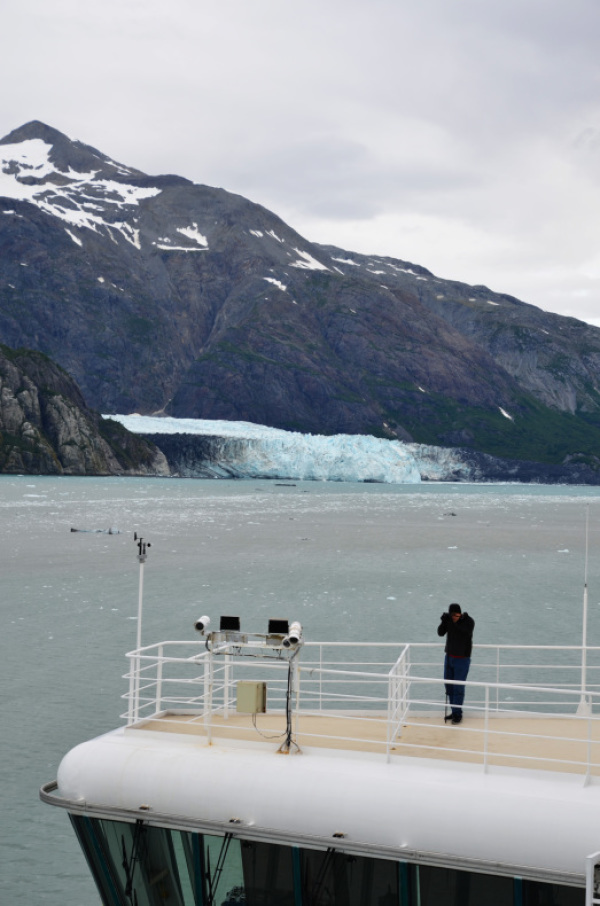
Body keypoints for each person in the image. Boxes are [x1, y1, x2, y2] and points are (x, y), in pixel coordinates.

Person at [437, 603, 475, 725]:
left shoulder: (469, 622)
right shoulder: (450, 622)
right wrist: (443, 622)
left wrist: (451, 623)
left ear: (460, 613)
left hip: (462, 659)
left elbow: (462, 633)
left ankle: (457, 714)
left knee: (458, 687)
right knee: (449, 686)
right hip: (449, 658)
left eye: (456, 615)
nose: (453, 617)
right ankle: (454, 711)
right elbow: (440, 633)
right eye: (451, 615)